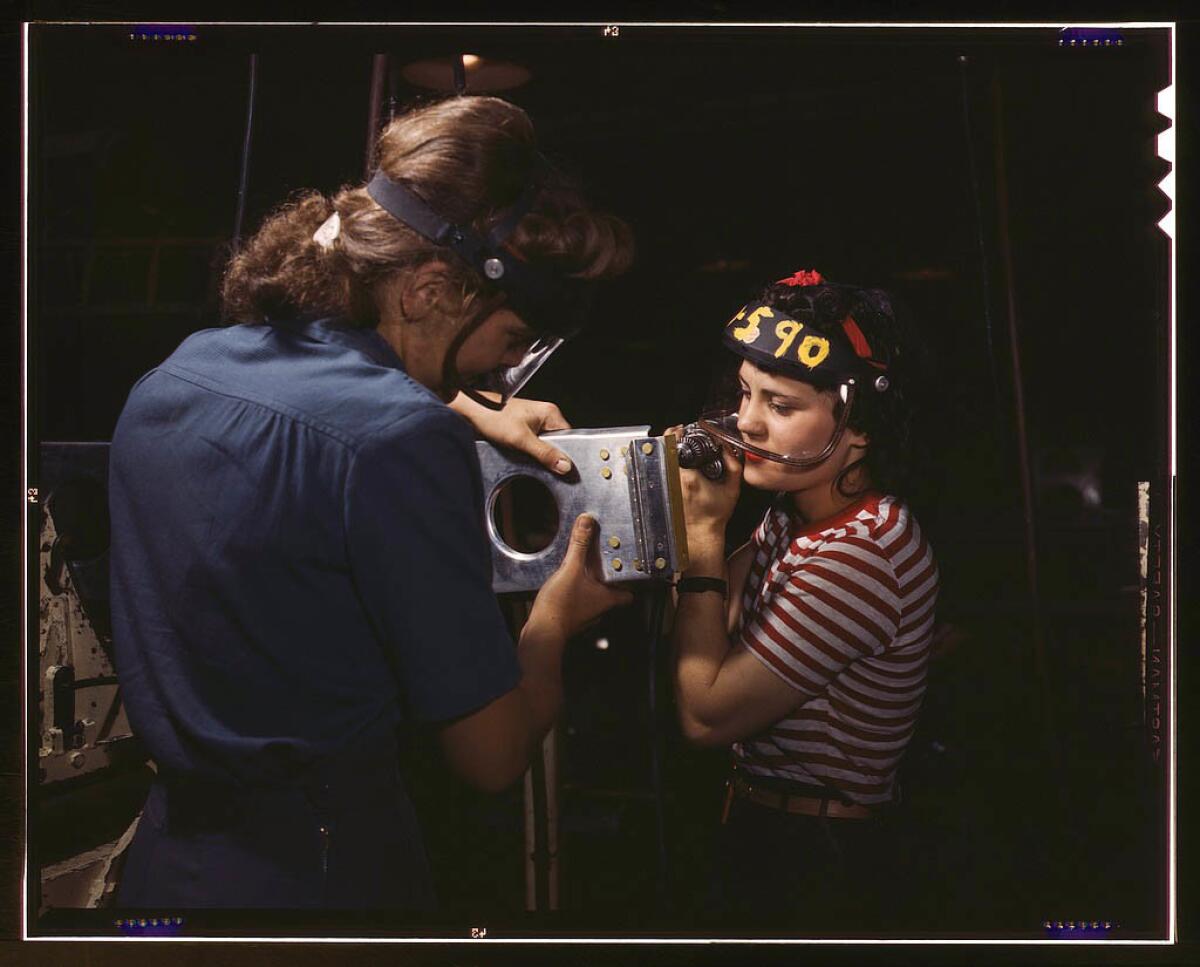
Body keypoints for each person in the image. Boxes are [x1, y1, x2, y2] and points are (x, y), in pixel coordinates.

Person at [109, 95, 634, 910]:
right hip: (323, 879)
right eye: (508, 343)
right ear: (429, 290)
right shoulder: (401, 442)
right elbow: (491, 754)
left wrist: (465, 405)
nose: (505, 371)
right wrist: (555, 620)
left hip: (167, 864)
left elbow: (317, 410)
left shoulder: (175, 375)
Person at [670, 268, 938, 930]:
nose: (747, 423)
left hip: (818, 860)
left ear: (862, 428)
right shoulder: (799, 510)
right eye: (744, 394)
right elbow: (717, 618)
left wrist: (704, 534)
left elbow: (704, 713)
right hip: (769, 827)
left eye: (782, 406)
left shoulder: (861, 553)